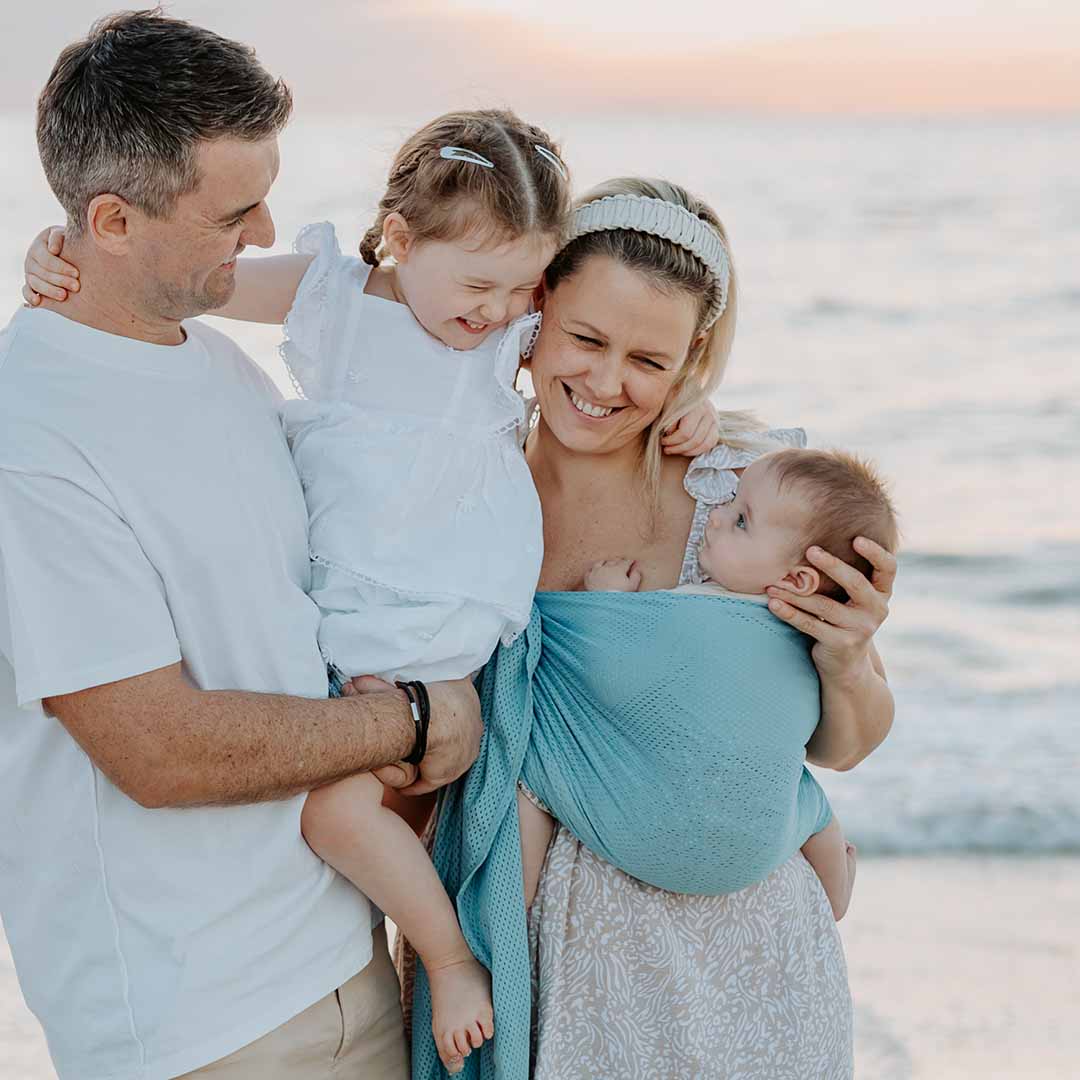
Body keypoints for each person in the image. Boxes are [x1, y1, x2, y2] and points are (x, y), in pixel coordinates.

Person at [22, 109, 727, 1074]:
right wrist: (59, 249)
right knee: (345, 814)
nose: (500, 310)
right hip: (361, 625)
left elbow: (605, 362)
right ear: (398, 239)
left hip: (451, 615)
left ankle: (500, 978)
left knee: (448, 815)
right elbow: (196, 282)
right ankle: (451, 962)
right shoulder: (333, 297)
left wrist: (690, 398)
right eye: (482, 285)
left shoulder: (499, 322)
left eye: (524, 287)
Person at [0, 12, 483, 1080]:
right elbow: (159, 749)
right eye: (233, 209)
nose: (267, 231)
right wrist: (407, 717)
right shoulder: (27, 439)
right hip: (200, 1025)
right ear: (112, 221)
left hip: (347, 954)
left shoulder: (222, 368)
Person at [397, 177, 896, 1079]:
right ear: (538, 303)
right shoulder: (460, 481)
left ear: (692, 357)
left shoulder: (743, 493)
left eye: (647, 361)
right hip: (534, 940)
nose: (604, 383)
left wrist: (850, 658)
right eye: (585, 339)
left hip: (743, 950)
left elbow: (841, 747)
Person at [581, 446, 901, 921]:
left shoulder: (805, 621)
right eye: (731, 503)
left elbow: (626, 658)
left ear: (798, 579)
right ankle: (834, 890)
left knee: (807, 797)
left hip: (731, 820)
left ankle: (832, 901)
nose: (716, 515)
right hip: (679, 809)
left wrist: (608, 605)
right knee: (810, 809)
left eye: (740, 520)